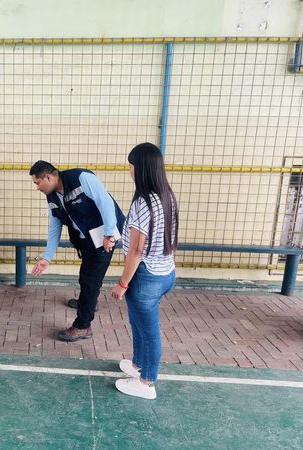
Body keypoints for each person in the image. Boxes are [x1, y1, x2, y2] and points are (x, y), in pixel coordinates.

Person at [29, 160, 125, 342]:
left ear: (48, 177)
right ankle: (89, 303)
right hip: (86, 238)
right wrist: (47, 257)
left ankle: (83, 326)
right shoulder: (52, 196)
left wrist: (110, 234)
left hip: (104, 237)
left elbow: (105, 202)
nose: (37, 187)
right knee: (87, 277)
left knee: (90, 280)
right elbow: (55, 225)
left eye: (37, 182)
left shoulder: (81, 178)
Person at [112, 143, 178, 400]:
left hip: (146, 277)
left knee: (149, 332)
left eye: (131, 165)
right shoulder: (166, 195)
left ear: (142, 168)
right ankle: (138, 364)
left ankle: (146, 381)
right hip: (165, 273)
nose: (129, 170)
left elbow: (137, 250)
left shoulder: (143, 202)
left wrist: (123, 283)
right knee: (138, 321)